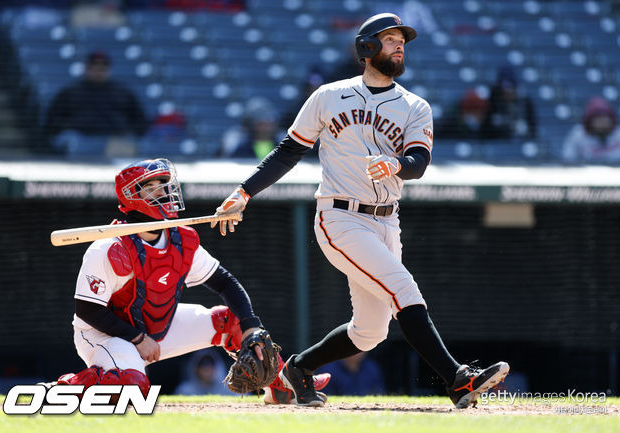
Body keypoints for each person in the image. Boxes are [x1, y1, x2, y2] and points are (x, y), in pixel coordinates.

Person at [211, 13, 510, 409]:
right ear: (367, 48)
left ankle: (295, 370)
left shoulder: (415, 106)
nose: (400, 45)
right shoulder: (328, 96)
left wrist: (397, 164)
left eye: (402, 39)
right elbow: (288, 151)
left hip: (387, 220)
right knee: (404, 289)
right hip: (340, 216)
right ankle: (457, 379)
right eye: (389, 39)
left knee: (371, 332)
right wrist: (243, 193)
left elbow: (419, 162)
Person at [42, 158, 329, 405]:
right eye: (152, 187)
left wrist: (252, 326)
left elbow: (225, 283)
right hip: (104, 335)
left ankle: (282, 385)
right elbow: (88, 311)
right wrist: (137, 339)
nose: (164, 192)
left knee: (231, 322)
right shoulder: (109, 248)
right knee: (131, 389)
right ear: (132, 197)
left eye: (164, 185)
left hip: (155, 327)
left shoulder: (181, 239)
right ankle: (62, 389)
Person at [44, 51, 148, 156]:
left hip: (114, 140)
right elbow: (53, 120)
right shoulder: (70, 92)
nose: (98, 72)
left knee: (133, 146)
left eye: (102, 68)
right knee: (71, 141)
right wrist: (70, 127)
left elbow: (140, 121)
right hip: (80, 139)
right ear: (87, 69)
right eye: (94, 67)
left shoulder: (122, 92)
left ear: (108, 70)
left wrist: (126, 131)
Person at [561, 96, 620, 164]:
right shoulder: (578, 135)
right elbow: (568, 161)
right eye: (598, 119)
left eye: (605, 119)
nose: (602, 123)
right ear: (590, 121)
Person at [481, 66, 536, 140]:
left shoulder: (525, 102)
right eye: (504, 89)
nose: (508, 92)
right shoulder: (491, 101)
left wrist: (525, 130)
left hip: (518, 145)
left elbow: (533, 131)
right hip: (496, 143)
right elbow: (484, 131)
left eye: (511, 88)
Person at [318, 352, 385, 396]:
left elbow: (378, 393)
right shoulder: (328, 369)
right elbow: (324, 396)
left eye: (361, 346)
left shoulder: (371, 367)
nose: (357, 351)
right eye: (354, 346)